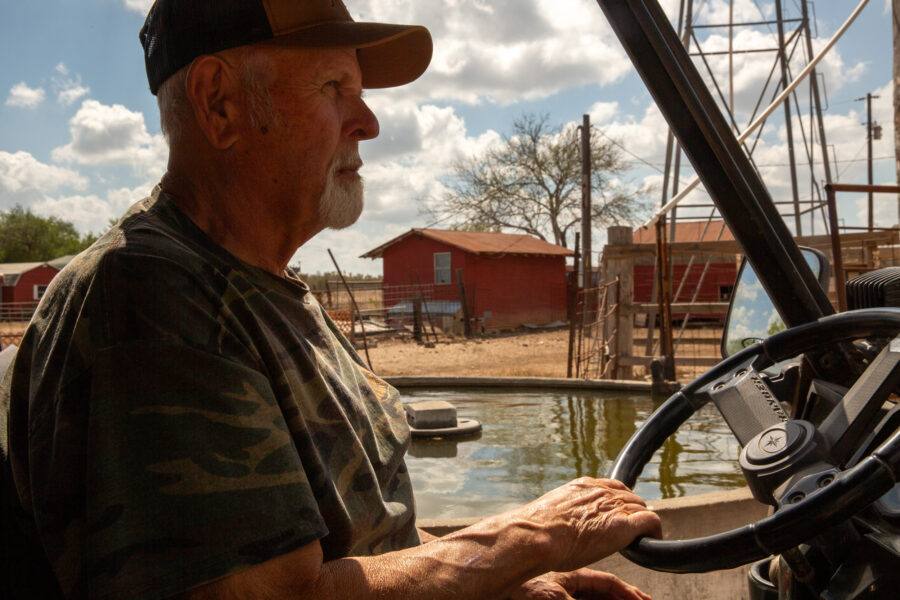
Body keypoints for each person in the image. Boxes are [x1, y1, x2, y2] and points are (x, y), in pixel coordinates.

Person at [0, 1, 662, 598]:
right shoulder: (151, 294)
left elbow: (369, 541)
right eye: (334, 88)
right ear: (219, 103)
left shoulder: (268, 289)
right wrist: (530, 537)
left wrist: (509, 584)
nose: (368, 122)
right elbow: (272, 594)